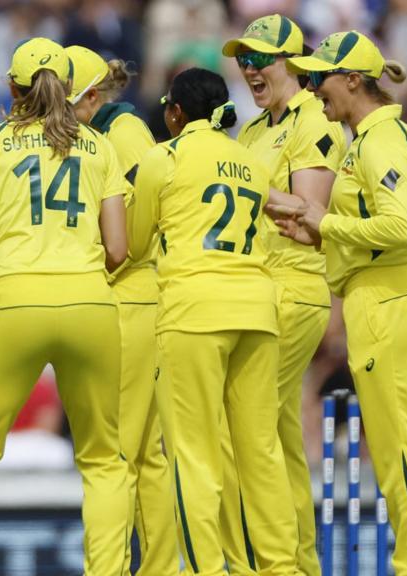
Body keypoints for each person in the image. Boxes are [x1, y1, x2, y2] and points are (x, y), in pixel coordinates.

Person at [276, 31, 407, 575]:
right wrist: (321, 235)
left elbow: (400, 228)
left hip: (389, 297)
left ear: (353, 79)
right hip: (391, 293)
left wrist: (322, 220)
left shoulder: (379, 140)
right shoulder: (374, 137)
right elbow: (378, 229)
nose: (312, 88)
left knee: (400, 451)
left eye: (319, 77)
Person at [0, 37, 131, 574]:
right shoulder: (101, 147)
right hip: (89, 304)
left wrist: (14, 275)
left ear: (11, 88)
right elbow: (118, 249)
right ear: (69, 88)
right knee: (104, 461)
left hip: (13, 301)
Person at [128, 67, 300, 574]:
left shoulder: (163, 157)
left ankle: (209, 568)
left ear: (176, 112)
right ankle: (280, 567)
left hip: (194, 312)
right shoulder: (249, 160)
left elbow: (135, 246)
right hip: (257, 309)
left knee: (194, 455)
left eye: (167, 108)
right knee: (261, 452)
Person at [219, 15, 346, 574]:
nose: (249, 69)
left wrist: (227, 182)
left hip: (293, 288)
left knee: (242, 422)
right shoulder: (252, 130)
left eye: (262, 59)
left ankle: (266, 565)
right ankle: (297, 561)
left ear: (293, 62)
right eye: (244, 59)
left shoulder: (313, 120)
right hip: (258, 288)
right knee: (277, 435)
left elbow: (308, 211)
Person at [65, 45, 176, 574]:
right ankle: (155, 566)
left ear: (92, 94)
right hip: (136, 293)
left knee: (116, 450)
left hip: (130, 291)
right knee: (147, 455)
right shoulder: (106, 129)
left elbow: (139, 222)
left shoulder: (123, 131)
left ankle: (106, 567)